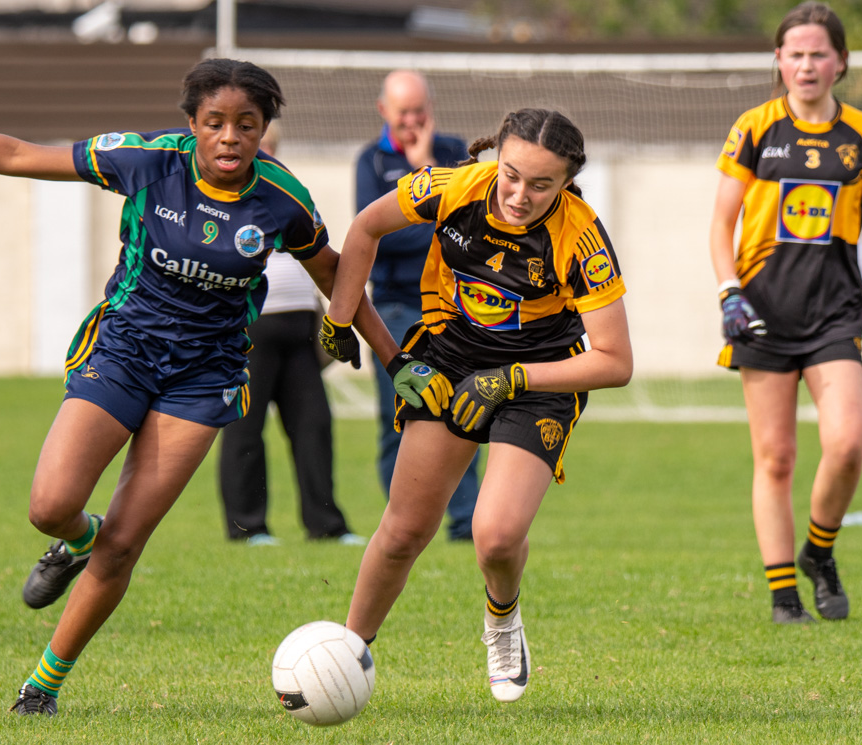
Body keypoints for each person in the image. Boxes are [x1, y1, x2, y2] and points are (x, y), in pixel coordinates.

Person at [0, 58, 398, 714]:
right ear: (191, 125)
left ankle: (42, 686)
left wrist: (375, 345)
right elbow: (16, 155)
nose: (230, 137)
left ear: (265, 129)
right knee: (49, 505)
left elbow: (334, 267)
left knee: (126, 539)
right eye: (214, 123)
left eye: (247, 124)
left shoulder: (282, 198)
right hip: (123, 350)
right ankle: (75, 536)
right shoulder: (145, 159)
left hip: (205, 375)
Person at [320, 109, 632, 703]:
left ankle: (503, 619)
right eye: (511, 175)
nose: (519, 195)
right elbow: (362, 229)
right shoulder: (452, 187)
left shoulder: (581, 238)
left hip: (538, 376)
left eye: (542, 185)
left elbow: (615, 361)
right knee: (403, 529)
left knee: (493, 536)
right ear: (496, 157)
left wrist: (512, 378)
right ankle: (345, 654)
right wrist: (339, 316)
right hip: (452, 360)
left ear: (567, 182)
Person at [710, 1, 862, 625]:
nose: (806, 64)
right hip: (763, 312)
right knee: (775, 458)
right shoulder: (754, 128)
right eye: (795, 53)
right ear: (779, 60)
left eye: (818, 53)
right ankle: (784, 597)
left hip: (835, 314)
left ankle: (819, 552)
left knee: (848, 443)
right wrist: (729, 292)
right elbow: (720, 224)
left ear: (841, 62)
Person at [217, 122, 364, 547]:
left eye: (270, 143)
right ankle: (248, 527)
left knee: (314, 426)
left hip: (301, 329)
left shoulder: (285, 196)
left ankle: (326, 524)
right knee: (245, 428)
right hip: (252, 329)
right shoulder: (228, 199)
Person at [356, 70, 479, 542]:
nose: (411, 120)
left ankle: (466, 523)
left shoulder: (452, 151)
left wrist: (425, 162)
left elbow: (469, 229)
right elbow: (376, 238)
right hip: (395, 309)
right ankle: (403, 527)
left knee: (467, 411)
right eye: (403, 112)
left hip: (456, 310)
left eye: (419, 111)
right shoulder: (369, 161)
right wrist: (430, 220)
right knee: (403, 413)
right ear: (383, 110)